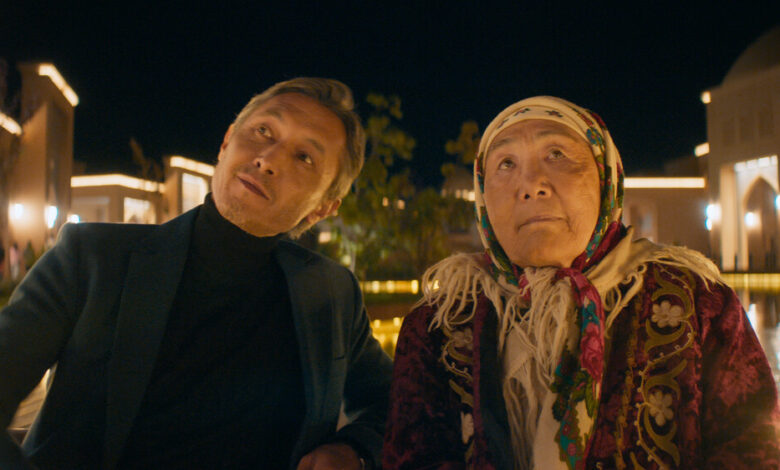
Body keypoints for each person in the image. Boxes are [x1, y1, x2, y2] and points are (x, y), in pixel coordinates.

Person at [0, 77, 393, 470]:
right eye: (263, 131)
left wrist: (353, 451)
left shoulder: (332, 292)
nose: (268, 159)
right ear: (226, 142)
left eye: (304, 157)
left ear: (324, 207)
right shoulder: (90, 260)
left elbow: (393, 403)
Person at [383, 96, 780, 469]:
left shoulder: (697, 304)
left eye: (556, 154)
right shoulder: (440, 324)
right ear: (482, 194)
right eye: (505, 163)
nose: (531, 184)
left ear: (606, 177)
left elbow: (753, 449)